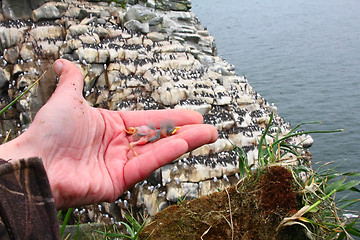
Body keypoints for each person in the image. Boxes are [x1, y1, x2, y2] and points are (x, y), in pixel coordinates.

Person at [0, 59, 218, 239]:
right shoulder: (133, 137)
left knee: (167, 134)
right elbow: (136, 138)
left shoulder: (140, 133)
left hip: (142, 135)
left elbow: (145, 134)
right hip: (137, 136)